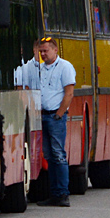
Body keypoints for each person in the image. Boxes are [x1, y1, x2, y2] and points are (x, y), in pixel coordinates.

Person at [34, 35, 76, 207]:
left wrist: (59, 114)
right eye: (41, 51)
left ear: (55, 50)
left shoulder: (65, 67)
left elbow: (69, 93)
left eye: (46, 50)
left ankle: (63, 194)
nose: (43, 54)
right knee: (49, 156)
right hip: (42, 116)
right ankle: (54, 193)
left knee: (58, 155)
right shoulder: (40, 69)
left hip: (55, 117)